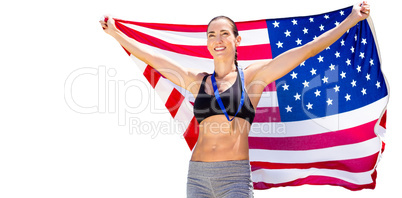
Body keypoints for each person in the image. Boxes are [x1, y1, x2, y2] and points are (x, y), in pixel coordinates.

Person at [100, 2, 370, 197]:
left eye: (224, 33)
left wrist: (351, 20)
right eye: (211, 35)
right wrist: (116, 34)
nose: (217, 39)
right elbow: (155, 59)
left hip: (234, 179)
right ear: (207, 44)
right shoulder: (199, 80)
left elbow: (306, 51)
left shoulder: (253, 77)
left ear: (237, 39)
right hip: (197, 177)